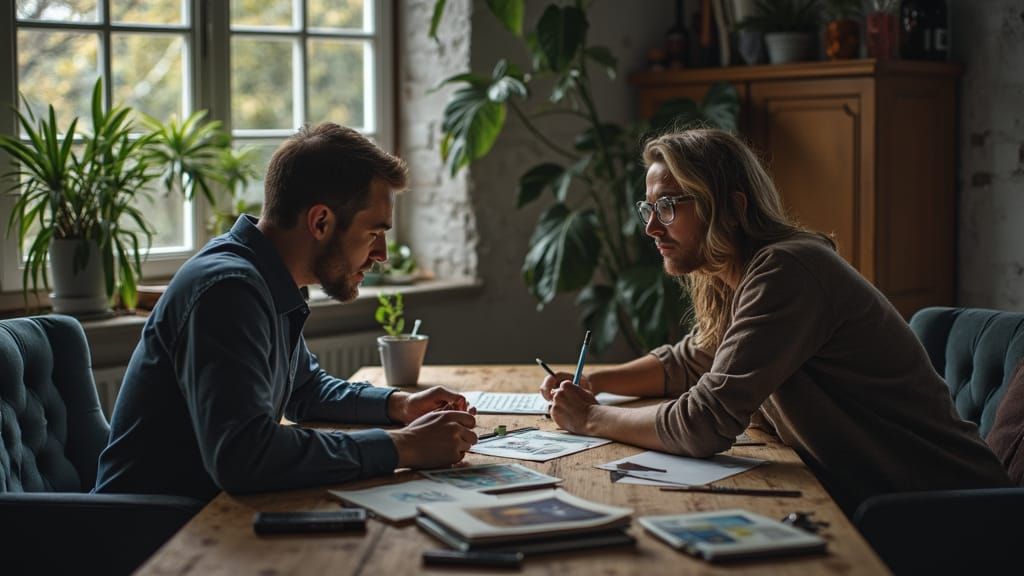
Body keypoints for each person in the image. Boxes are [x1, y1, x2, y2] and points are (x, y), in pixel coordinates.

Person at [541, 129, 1011, 513]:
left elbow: (704, 422)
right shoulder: (733, 273)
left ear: (731, 208)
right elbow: (691, 361)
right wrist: (595, 383)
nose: (651, 227)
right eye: (649, 207)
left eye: (668, 206)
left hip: (944, 511)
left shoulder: (788, 271)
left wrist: (592, 417)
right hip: (869, 496)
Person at [95, 123, 477, 501]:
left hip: (207, 514)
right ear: (321, 222)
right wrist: (404, 447)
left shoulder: (264, 277)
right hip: (151, 537)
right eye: (374, 233)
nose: (382, 255)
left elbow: (305, 390)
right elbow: (244, 456)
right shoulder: (230, 290)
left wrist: (400, 405)